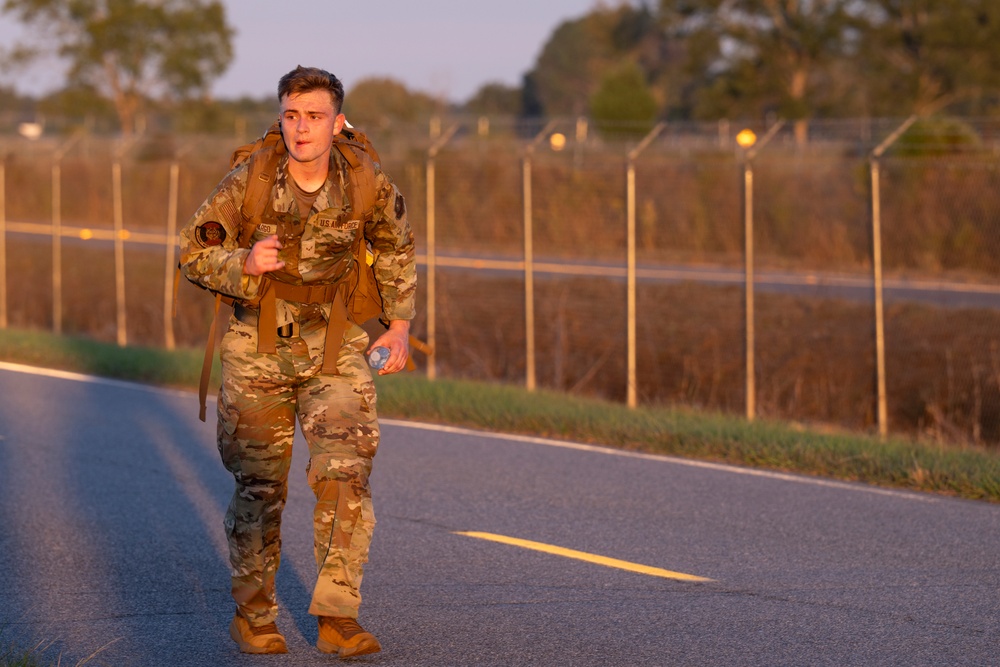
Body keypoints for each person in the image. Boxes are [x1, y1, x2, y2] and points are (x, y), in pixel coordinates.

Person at [179, 65, 415, 658]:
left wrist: (402, 325)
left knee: (346, 476)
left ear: (337, 123)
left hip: (335, 347)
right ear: (280, 118)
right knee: (261, 486)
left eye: (314, 116)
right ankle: (254, 614)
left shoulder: (365, 180)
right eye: (291, 115)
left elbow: (394, 245)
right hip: (258, 347)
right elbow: (190, 252)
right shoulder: (249, 181)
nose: (301, 128)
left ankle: (337, 615)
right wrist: (244, 265)